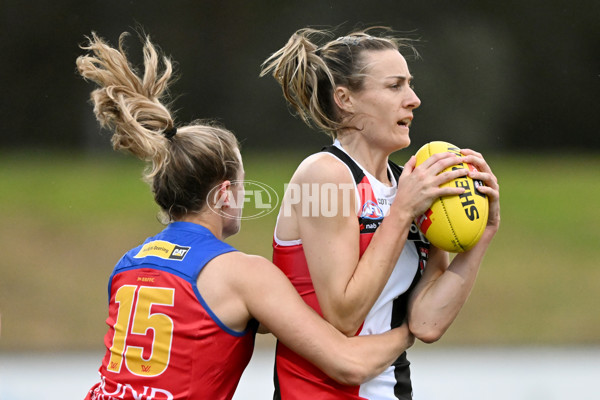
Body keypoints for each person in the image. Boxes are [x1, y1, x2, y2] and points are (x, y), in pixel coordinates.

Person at [75, 31, 418, 400]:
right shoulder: (242, 276)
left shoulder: (127, 265)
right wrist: (409, 329)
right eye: (241, 183)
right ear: (224, 194)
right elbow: (347, 363)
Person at [260, 27, 500, 399]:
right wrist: (402, 212)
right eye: (395, 86)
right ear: (346, 99)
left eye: (411, 85)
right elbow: (343, 315)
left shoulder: (413, 184)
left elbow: (428, 322)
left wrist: (480, 237)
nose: (414, 100)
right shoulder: (323, 175)